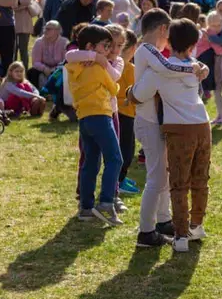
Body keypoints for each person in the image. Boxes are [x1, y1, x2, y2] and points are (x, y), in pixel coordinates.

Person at [131, 19, 212, 253]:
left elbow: (138, 94)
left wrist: (129, 93)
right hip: (202, 125)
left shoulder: (161, 69)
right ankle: (194, 225)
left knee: (176, 182)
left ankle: (179, 234)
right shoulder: (195, 65)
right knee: (198, 179)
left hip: (178, 128)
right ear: (192, 44)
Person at [68, 24, 123, 225]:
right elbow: (115, 87)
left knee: (90, 162)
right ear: (90, 46)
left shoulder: (74, 66)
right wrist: (99, 61)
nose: (108, 50)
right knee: (115, 159)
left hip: (84, 118)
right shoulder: (99, 68)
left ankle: (86, 207)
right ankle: (106, 203)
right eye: (105, 46)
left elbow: (70, 56)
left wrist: (95, 57)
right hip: (101, 115)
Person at [116, 29, 139, 196]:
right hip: (125, 113)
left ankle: (120, 178)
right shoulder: (130, 68)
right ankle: (120, 180)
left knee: (122, 148)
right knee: (126, 150)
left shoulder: (113, 65)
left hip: (117, 112)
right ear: (133, 49)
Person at [8, 0, 38, 68]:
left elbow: (26, 1)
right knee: (12, 50)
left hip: (24, 22)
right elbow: (9, 2)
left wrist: (14, 3)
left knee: (24, 50)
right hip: (10, 22)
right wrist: (18, 3)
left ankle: (25, 74)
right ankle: (12, 74)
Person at [28, 20, 68, 88]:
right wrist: (44, 68)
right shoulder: (39, 42)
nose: (45, 31)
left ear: (57, 31)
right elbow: (35, 62)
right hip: (43, 69)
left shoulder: (64, 42)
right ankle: (36, 93)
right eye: (45, 28)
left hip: (58, 69)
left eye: (48, 29)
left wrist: (54, 70)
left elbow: (66, 61)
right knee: (32, 72)